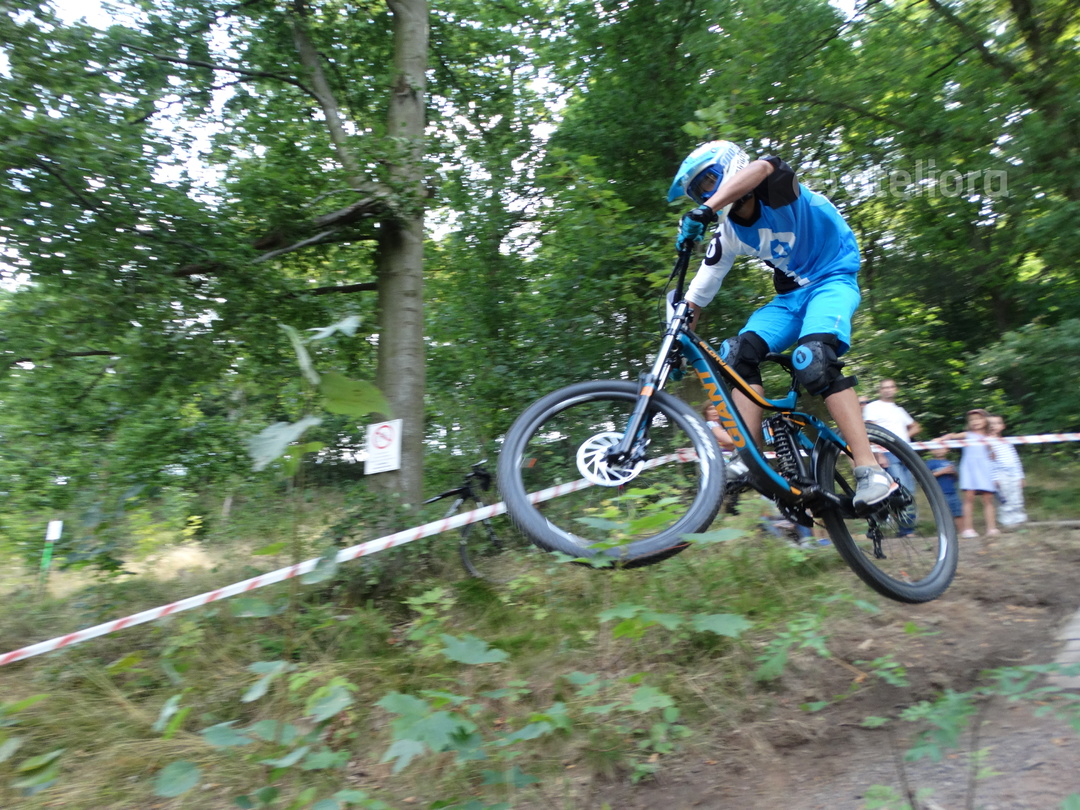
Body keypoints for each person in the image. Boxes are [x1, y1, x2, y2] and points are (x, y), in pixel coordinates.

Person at [670, 140, 894, 508]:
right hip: (791, 297)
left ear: (731, 166)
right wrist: (679, 346)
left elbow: (762, 167)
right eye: (698, 192)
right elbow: (697, 295)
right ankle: (750, 458)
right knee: (736, 354)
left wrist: (706, 209)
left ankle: (870, 468)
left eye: (709, 182)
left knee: (814, 358)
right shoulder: (729, 234)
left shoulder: (776, 188)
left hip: (833, 279)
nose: (706, 195)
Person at [862, 379, 922, 535]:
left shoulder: (899, 410)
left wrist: (902, 439)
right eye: (885, 387)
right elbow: (870, 432)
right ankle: (904, 529)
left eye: (891, 387)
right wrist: (879, 454)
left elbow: (916, 426)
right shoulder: (873, 407)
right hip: (887, 453)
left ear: (896, 389)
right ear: (880, 390)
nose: (888, 390)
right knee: (898, 490)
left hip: (905, 454)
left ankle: (908, 526)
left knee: (909, 491)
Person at [937, 409, 999, 538]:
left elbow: (993, 456)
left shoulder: (989, 437)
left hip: (985, 469)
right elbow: (952, 436)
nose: (975, 422)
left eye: (979, 418)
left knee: (988, 498)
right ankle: (968, 529)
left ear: (986, 420)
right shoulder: (967, 435)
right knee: (968, 498)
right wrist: (943, 438)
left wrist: (991, 446)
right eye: (972, 420)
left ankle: (991, 528)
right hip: (969, 469)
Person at [987, 414, 1028, 527]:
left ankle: (1019, 519)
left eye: (997, 423)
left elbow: (1015, 460)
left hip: (1014, 473)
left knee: (1017, 495)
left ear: (1003, 426)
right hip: (1001, 474)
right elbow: (990, 462)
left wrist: (1021, 476)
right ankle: (1007, 521)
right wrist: (995, 478)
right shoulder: (987, 442)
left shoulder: (1007, 441)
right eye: (991, 424)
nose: (994, 426)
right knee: (1004, 497)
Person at [925, 446, 963, 533]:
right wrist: (943, 471)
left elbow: (957, 478)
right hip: (940, 493)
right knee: (943, 513)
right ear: (931, 451)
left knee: (958, 512)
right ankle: (946, 532)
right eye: (936, 448)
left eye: (941, 448)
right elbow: (927, 476)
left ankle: (962, 532)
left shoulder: (950, 462)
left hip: (953, 491)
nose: (939, 450)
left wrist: (954, 472)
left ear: (947, 449)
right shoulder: (930, 463)